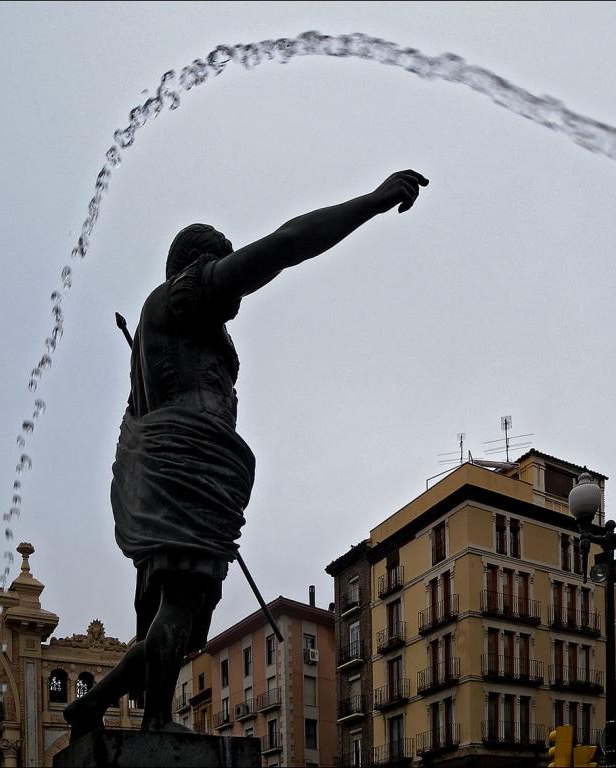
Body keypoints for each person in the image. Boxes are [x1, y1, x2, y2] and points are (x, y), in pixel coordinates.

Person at [64, 169, 429, 737]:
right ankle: (159, 722)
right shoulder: (183, 298)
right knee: (182, 603)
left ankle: (93, 705)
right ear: (199, 263)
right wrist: (372, 203)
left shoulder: (170, 321)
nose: (232, 273)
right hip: (188, 464)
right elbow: (284, 246)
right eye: (224, 260)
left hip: (195, 467)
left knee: (182, 626)